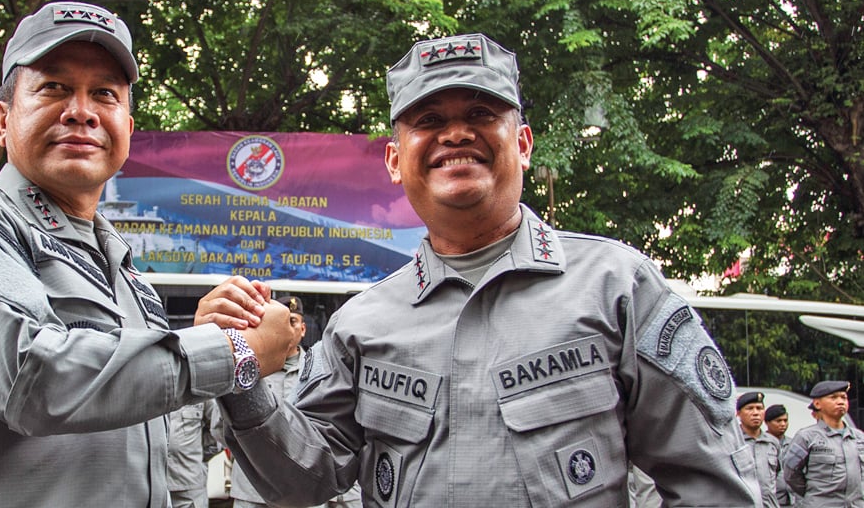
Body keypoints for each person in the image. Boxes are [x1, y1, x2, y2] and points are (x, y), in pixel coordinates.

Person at [216, 33, 761, 506]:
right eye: (428, 120)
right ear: (394, 160)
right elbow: (300, 482)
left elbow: (711, 483)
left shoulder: (617, 287)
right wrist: (238, 371)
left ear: (522, 144)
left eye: (481, 114)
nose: (455, 134)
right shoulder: (362, 322)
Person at [0, 0, 295, 508]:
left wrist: (206, 332)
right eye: (54, 87)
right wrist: (232, 354)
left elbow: (137, 428)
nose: (81, 110)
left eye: (104, 93)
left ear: (127, 127)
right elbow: (34, 381)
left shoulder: (129, 276)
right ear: (2, 121)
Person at [227, 296, 362, 508]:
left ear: (303, 329)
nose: (288, 328)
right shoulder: (250, 367)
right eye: (282, 323)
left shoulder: (323, 370)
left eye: (293, 321)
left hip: (305, 494)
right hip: (252, 492)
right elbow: (223, 424)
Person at [782, 381, 864, 506]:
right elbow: (790, 473)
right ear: (817, 404)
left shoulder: (858, 437)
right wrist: (814, 495)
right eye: (833, 397)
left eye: (844, 397)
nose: (840, 401)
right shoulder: (807, 437)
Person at [167, 400, 221, 508]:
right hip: (152, 482)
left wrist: (195, 456)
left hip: (189, 485)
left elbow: (218, 430)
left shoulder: (201, 390)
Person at [738, 392, 781, 508]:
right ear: (738, 413)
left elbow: (776, 474)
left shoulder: (773, 442)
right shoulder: (732, 441)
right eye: (750, 408)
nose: (755, 413)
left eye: (759, 408)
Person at [763, 404, 794, 507]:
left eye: (785, 421)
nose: (783, 424)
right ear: (767, 422)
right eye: (778, 421)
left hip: (791, 500)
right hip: (769, 501)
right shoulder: (762, 443)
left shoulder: (794, 443)